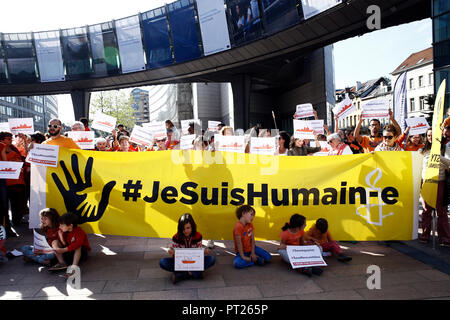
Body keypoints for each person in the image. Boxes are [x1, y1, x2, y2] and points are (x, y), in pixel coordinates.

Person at [159, 213, 216, 284]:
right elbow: (176, 256)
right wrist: (172, 252)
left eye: (188, 228)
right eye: (183, 229)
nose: (185, 231)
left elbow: (198, 254)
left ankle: (182, 275)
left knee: (211, 259)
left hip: (194, 262)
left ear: (192, 227)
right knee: (163, 262)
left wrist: (204, 251)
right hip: (181, 263)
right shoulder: (176, 237)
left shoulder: (198, 236)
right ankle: (196, 274)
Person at [419, 128, 450, 246]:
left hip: (440, 182)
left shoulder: (445, 149)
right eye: (428, 135)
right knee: (426, 210)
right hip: (426, 182)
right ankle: (425, 235)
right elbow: (419, 167)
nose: (430, 137)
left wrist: (438, 157)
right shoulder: (422, 150)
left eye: (432, 135)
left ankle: (445, 238)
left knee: (441, 211)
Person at [0, 131, 28, 229]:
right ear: (2, 140)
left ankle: (16, 221)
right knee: (4, 206)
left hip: (17, 181)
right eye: (8, 138)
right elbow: (5, 163)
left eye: (11, 138)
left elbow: (23, 157)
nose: (11, 140)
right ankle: (6, 226)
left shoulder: (14, 148)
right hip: (5, 182)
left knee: (17, 203)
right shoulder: (1, 148)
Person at [233, 204, 271, 269]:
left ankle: (252, 258)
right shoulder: (238, 226)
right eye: (251, 215)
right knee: (237, 264)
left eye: (254, 215)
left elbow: (252, 240)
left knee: (268, 257)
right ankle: (254, 261)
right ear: (243, 214)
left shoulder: (250, 225)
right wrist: (243, 256)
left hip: (251, 249)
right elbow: (239, 243)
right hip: (242, 252)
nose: (253, 217)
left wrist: (253, 253)